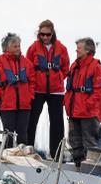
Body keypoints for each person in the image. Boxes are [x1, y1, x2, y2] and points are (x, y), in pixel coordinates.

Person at [25, 19, 70, 159]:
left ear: (52, 33)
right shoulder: (33, 48)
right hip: (37, 90)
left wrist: (57, 78)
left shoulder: (61, 48)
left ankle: (56, 154)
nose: (45, 37)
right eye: (42, 34)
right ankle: (28, 151)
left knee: (57, 123)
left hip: (56, 91)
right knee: (32, 120)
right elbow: (28, 66)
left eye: (48, 34)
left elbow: (65, 68)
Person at [64, 37, 101, 168]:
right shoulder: (74, 66)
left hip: (88, 113)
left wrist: (88, 104)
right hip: (73, 110)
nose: (76, 50)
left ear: (88, 50)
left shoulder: (96, 67)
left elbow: (99, 90)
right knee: (74, 142)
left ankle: (90, 171)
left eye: (79, 48)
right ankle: (78, 168)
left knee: (90, 144)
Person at [0, 33, 35, 148]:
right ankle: (7, 157)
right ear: (7, 48)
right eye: (15, 46)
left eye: (19, 46)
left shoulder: (26, 63)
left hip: (24, 105)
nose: (18, 48)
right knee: (8, 134)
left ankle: (22, 160)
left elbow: (32, 81)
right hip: (7, 105)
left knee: (23, 134)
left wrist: (30, 96)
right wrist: (0, 98)